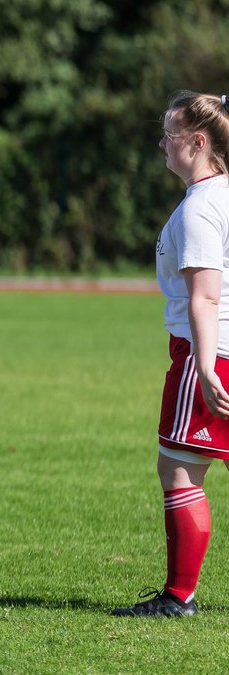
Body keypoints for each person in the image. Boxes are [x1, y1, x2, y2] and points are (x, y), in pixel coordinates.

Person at [113, 91, 229, 618]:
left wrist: (203, 365)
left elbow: (204, 294)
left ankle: (178, 597)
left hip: (208, 350)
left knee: (180, 470)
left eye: (170, 134)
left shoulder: (202, 207)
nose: (162, 143)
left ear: (198, 142)